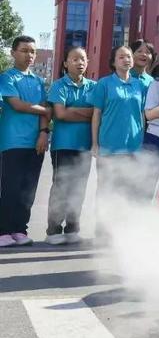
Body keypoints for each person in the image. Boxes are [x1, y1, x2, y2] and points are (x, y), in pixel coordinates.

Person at [0, 36, 49, 247]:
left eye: (32, 52)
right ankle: (3, 231)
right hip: (12, 141)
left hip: (35, 142)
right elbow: (17, 104)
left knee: (28, 189)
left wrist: (43, 133)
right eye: (24, 50)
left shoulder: (38, 81)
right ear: (13, 52)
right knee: (10, 187)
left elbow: (45, 111)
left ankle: (20, 229)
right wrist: (43, 109)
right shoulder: (7, 78)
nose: (29, 55)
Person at [45, 46, 96, 245]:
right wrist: (86, 112)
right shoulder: (59, 85)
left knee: (79, 189)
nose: (79, 62)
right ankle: (53, 230)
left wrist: (74, 111)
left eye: (83, 59)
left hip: (84, 146)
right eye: (74, 59)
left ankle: (73, 229)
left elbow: (96, 112)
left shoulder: (93, 86)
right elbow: (61, 114)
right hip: (63, 145)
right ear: (65, 63)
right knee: (61, 187)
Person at [90, 46, 146, 211]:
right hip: (109, 146)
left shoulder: (139, 85)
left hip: (134, 147)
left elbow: (142, 114)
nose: (126, 59)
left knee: (129, 192)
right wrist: (95, 144)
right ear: (113, 62)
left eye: (129, 56)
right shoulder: (104, 83)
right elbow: (96, 114)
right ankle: (102, 233)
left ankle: (122, 233)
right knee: (106, 191)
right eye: (121, 57)